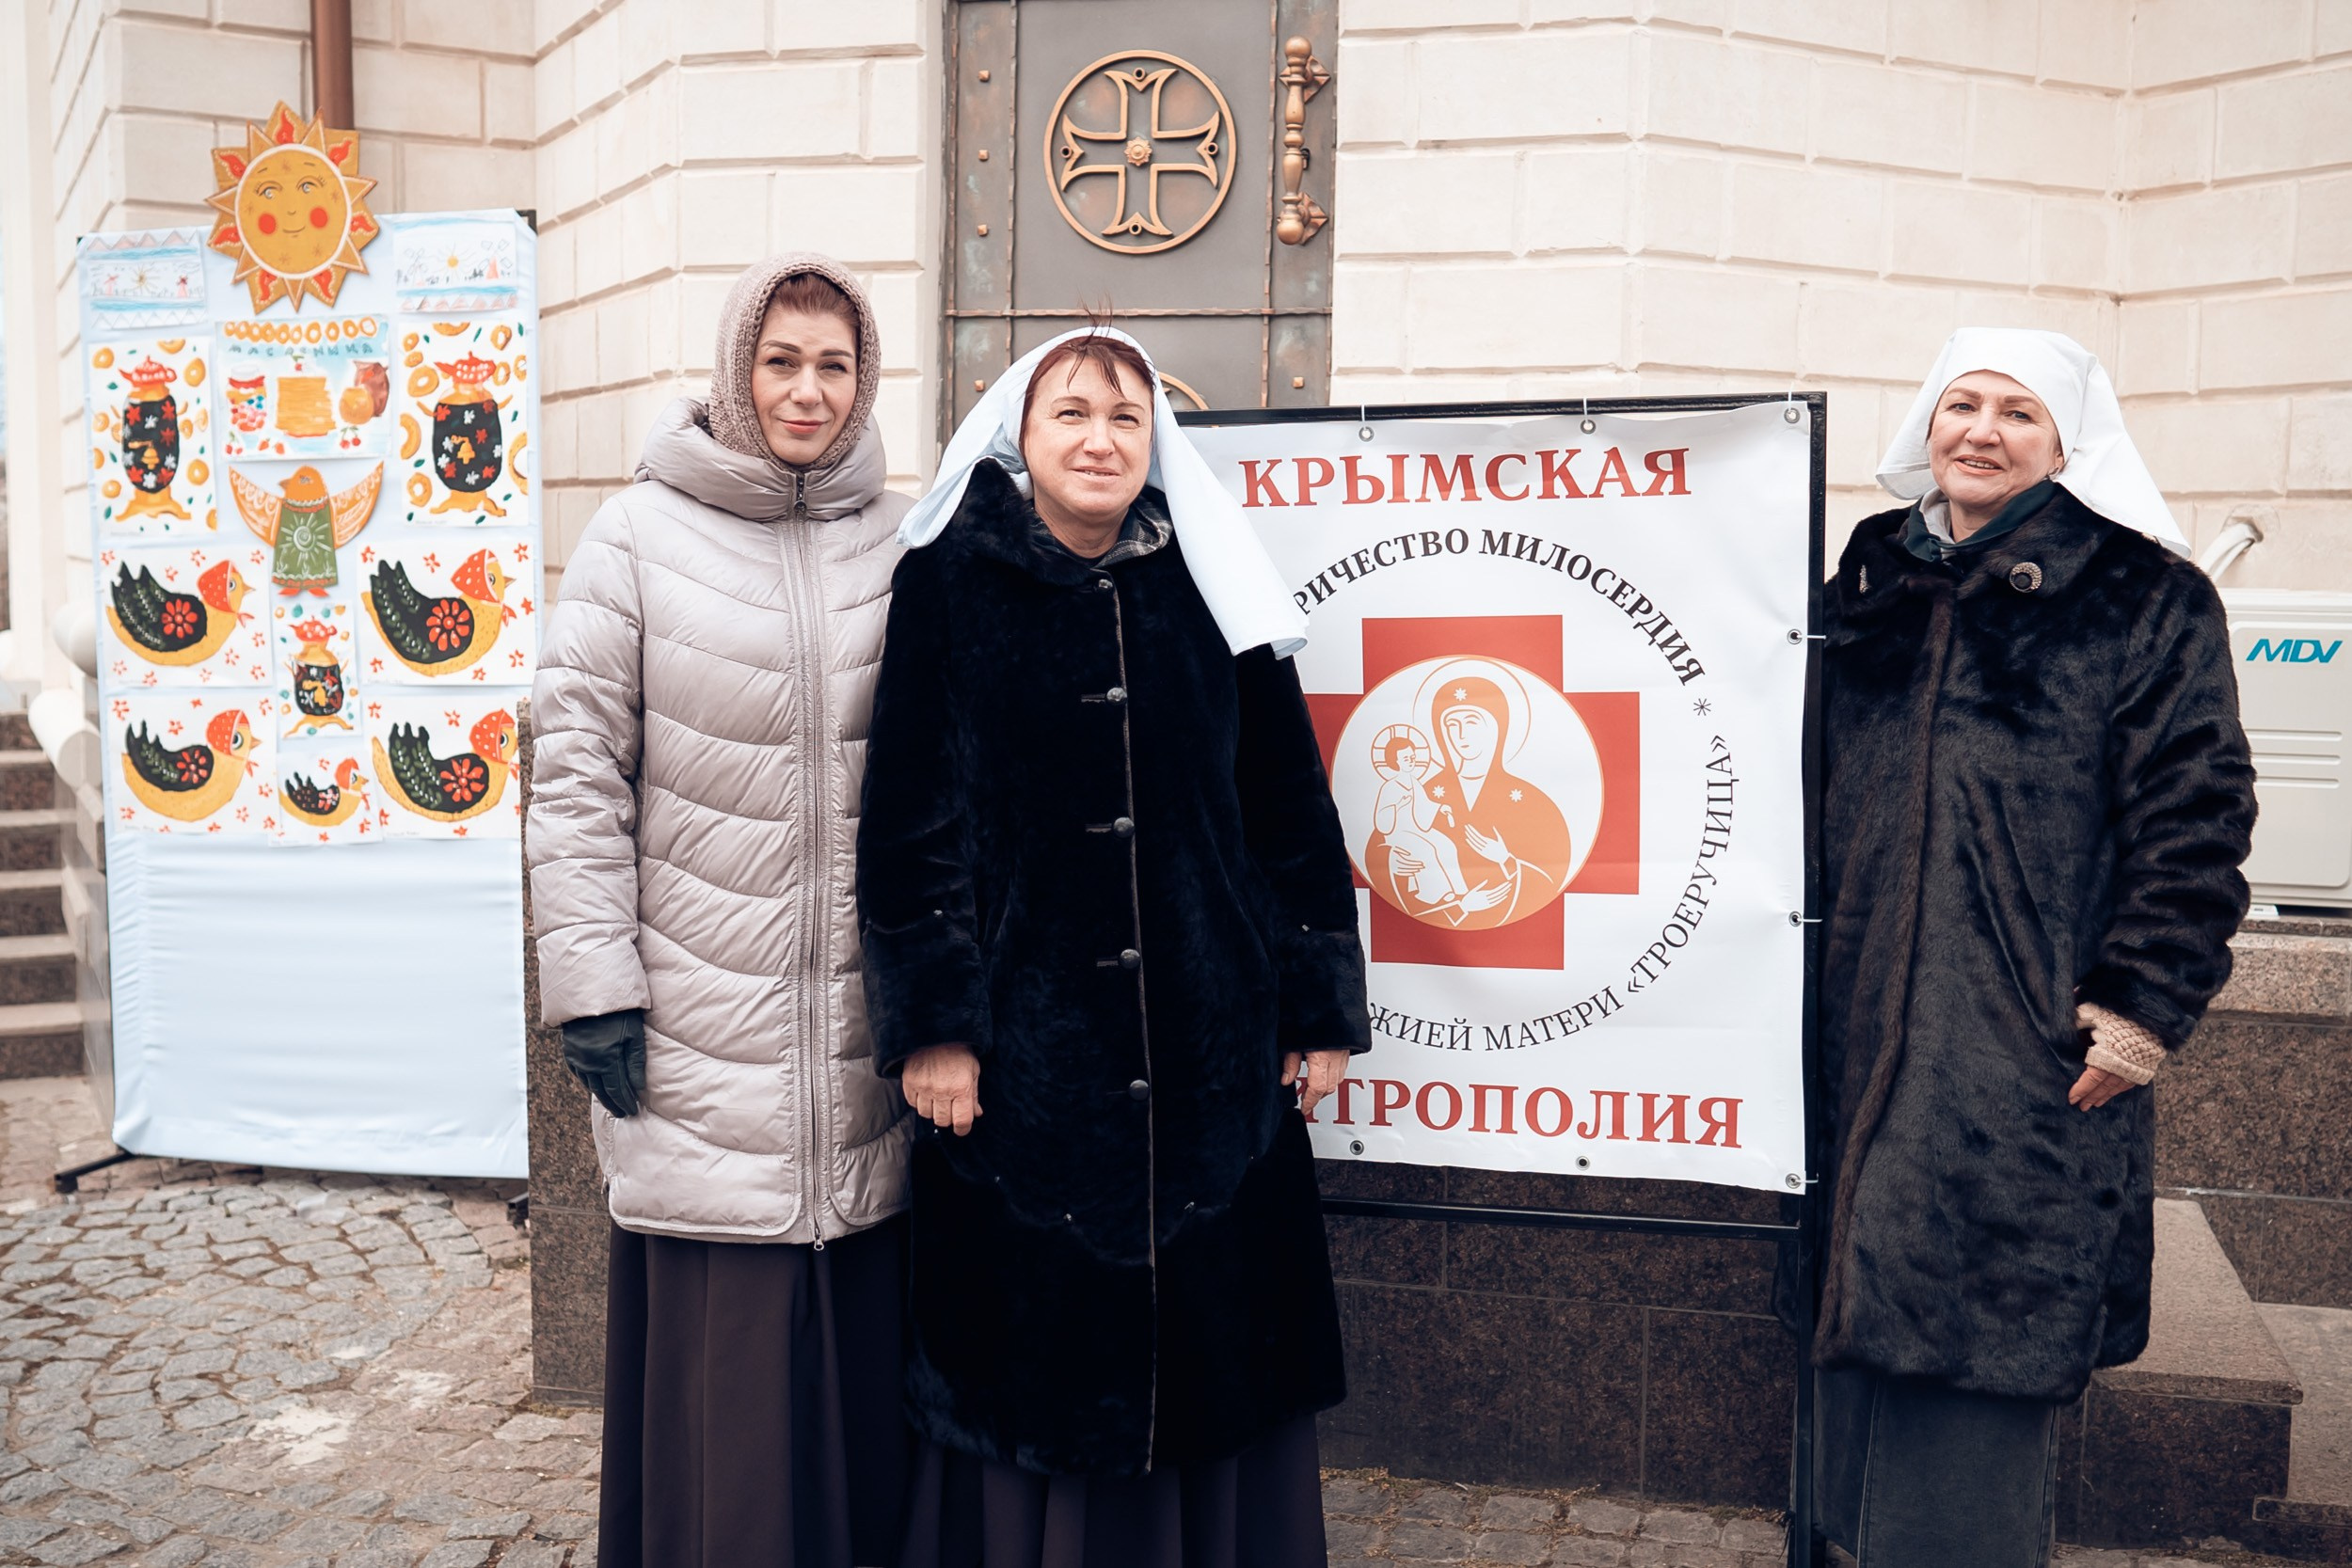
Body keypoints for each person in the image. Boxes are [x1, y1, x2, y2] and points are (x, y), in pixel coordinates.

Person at [857, 325, 1369, 1566]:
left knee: (1219, 1342)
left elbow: (1288, 806)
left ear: (1158, 443)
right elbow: (911, 826)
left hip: (1215, 1042)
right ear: (1018, 438)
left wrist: (1318, 1010)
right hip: (1032, 1060)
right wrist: (935, 1030)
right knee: (1042, 1357)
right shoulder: (949, 585)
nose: (1099, 439)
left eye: (1126, 418)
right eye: (1071, 414)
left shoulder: (1212, 581)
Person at [1798, 327, 2257, 1566]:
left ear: (2067, 445)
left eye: (2018, 413)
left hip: (2024, 1045)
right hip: (1850, 1029)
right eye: (1962, 404)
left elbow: (2196, 814)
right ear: (1926, 422)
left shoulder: (2146, 599)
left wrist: (2142, 1006)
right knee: (1848, 1344)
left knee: (1978, 1338)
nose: (1982, 432)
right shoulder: (1868, 576)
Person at [528, 254, 914, 1568]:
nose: (808, 392)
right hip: (695, 1023)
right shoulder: (637, 536)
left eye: (835, 365)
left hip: (861, 1034)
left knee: (861, 1362)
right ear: (735, 370)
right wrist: (593, 987)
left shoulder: (898, 535)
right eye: (782, 361)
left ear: (866, 383)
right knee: (729, 1370)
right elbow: (575, 775)